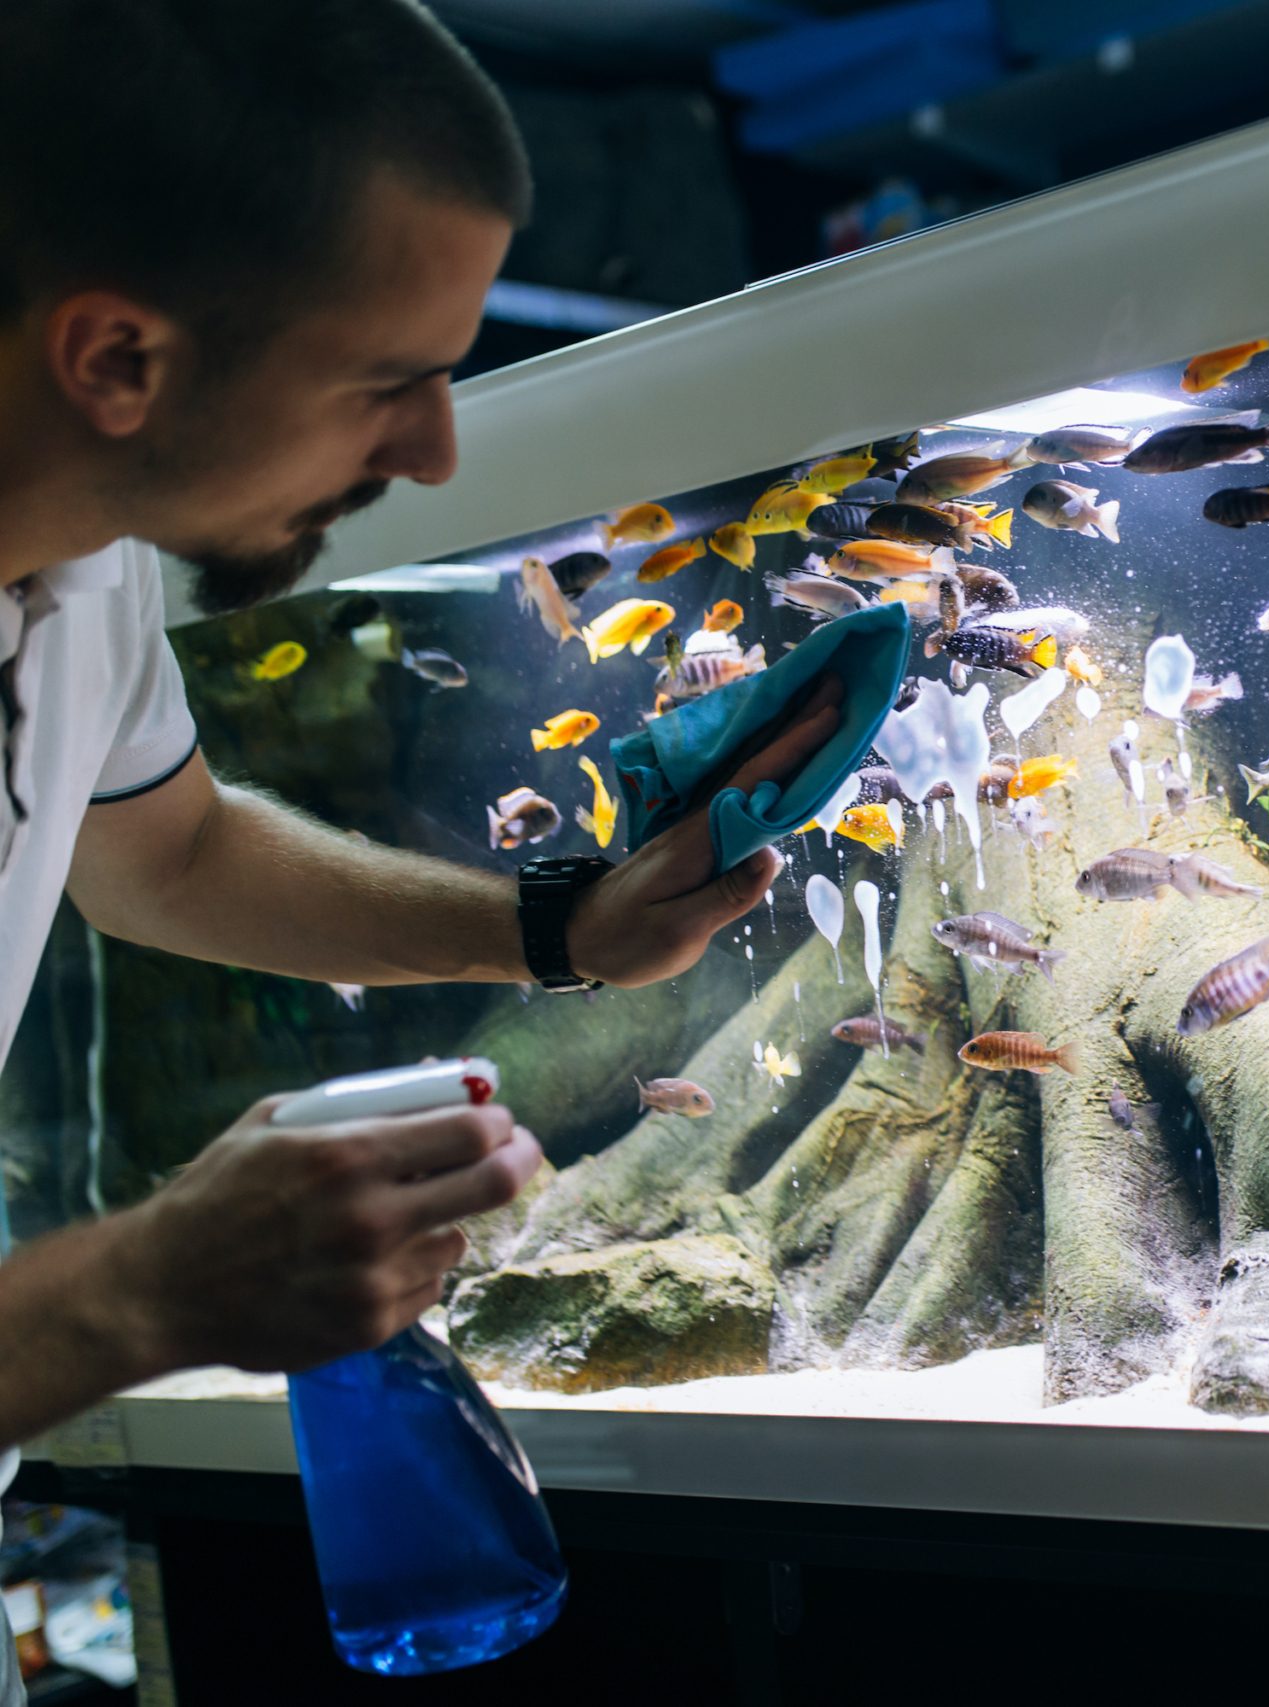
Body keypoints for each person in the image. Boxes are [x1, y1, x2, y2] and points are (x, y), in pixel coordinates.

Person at [0, 0, 833, 1521]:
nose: (439, 451)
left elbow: (170, 853)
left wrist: (555, 930)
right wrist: (139, 1294)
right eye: (387, 379)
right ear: (117, 357)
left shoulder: (86, 573)